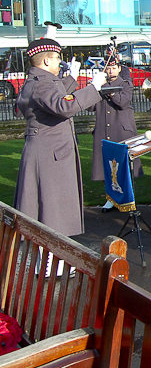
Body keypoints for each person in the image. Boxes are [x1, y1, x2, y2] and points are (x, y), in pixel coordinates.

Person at [14, 38, 106, 236]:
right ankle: (50, 266)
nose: (60, 62)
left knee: (49, 214)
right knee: (50, 217)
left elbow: (58, 95)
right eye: (57, 58)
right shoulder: (42, 84)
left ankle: (51, 264)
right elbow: (64, 106)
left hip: (48, 153)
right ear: (46, 61)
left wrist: (72, 78)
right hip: (49, 156)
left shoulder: (41, 81)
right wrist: (93, 88)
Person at [91, 55, 143, 212]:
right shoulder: (100, 84)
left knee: (123, 166)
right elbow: (89, 107)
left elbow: (122, 102)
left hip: (121, 130)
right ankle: (110, 198)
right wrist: (92, 89)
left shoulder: (125, 84)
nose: (111, 70)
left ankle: (126, 197)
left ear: (119, 68)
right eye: (108, 67)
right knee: (105, 166)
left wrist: (110, 91)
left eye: (114, 67)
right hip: (103, 129)